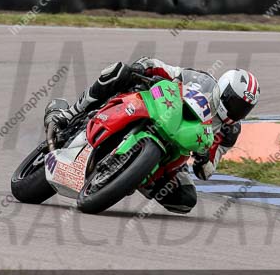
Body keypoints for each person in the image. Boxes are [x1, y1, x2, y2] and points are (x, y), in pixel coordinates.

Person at [44, 57, 260, 215]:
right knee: (120, 71)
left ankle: (135, 175)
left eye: (243, 108)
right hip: (159, 109)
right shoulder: (203, 81)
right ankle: (72, 112)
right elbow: (168, 70)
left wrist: (204, 160)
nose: (235, 110)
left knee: (185, 199)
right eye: (233, 101)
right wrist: (145, 67)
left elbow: (209, 168)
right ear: (222, 90)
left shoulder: (229, 131)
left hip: (177, 149)